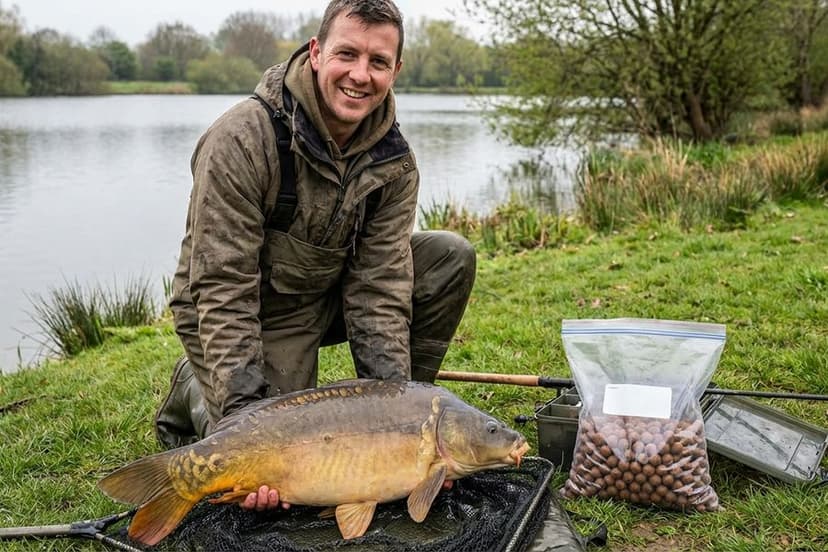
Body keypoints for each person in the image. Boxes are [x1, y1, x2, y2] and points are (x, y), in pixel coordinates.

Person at [154, 0, 475, 511]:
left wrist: (400, 424)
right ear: (317, 51)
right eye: (347, 54)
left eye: (378, 61)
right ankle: (197, 389)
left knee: (448, 256)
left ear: (396, 69)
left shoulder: (395, 162)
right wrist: (246, 418)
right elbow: (220, 287)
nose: (360, 75)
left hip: (322, 295)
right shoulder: (241, 139)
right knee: (271, 466)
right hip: (247, 311)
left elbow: (380, 287)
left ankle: (420, 424)